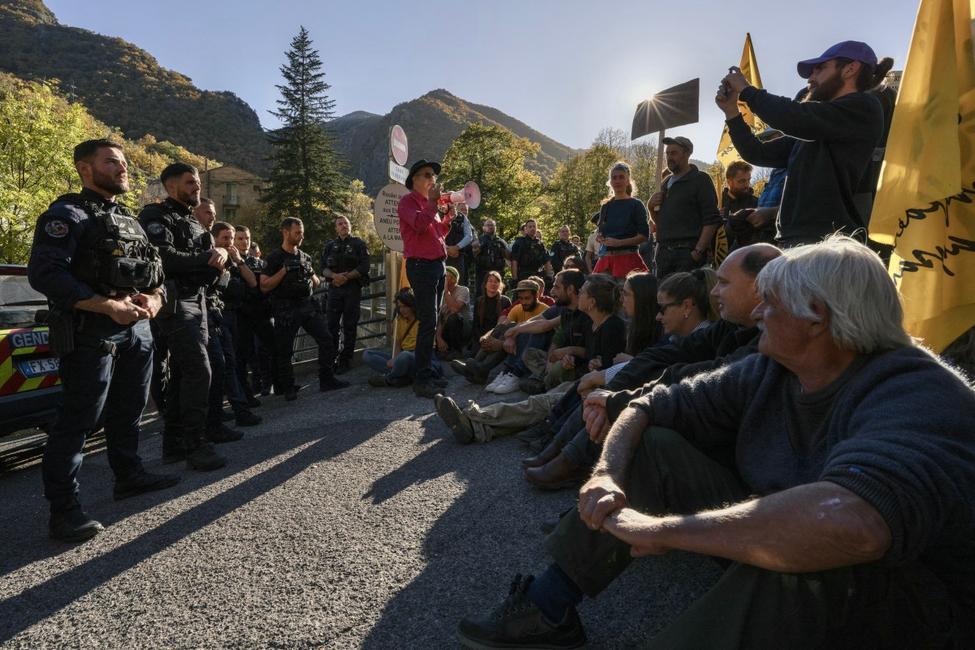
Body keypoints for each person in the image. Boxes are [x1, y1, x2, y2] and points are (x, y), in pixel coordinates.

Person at [458, 236, 975, 649]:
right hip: (821, 545)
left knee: (807, 555)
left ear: (818, 317)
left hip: (918, 611)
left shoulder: (919, 392)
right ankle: (546, 610)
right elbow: (647, 406)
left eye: (771, 305)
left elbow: (852, 524)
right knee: (656, 446)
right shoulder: (773, 367)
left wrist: (667, 530)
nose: (758, 315)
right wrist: (607, 473)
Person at [520, 244, 781, 487]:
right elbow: (661, 355)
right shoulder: (731, 328)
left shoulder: (769, 342)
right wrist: (613, 389)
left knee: (636, 417)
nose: (714, 292)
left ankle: (572, 461)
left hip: (729, 461)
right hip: (698, 422)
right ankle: (562, 451)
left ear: (759, 287)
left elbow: (705, 375)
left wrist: (617, 398)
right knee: (608, 391)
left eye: (724, 284)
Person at [27, 139, 177, 542]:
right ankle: (64, 510)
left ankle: (128, 475)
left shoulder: (129, 219)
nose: (122, 168)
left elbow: (156, 270)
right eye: (112, 162)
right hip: (92, 330)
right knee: (79, 419)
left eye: (124, 163)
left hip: (137, 328)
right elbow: (45, 274)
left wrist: (156, 299)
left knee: (129, 408)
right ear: (84, 168)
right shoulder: (66, 215)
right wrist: (106, 306)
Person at [717, 42, 892, 246]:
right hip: (793, 238)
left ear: (850, 69)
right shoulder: (815, 128)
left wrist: (747, 91)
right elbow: (757, 153)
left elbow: (796, 117)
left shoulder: (864, 107)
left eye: (820, 69)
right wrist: (732, 113)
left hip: (827, 241)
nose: (810, 78)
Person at [140, 162, 227, 471]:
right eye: (190, 182)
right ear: (171, 186)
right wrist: (208, 257)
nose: (197, 187)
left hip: (198, 299)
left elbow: (211, 267)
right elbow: (164, 259)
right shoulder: (154, 216)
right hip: (173, 303)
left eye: (198, 183)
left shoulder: (194, 222)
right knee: (198, 370)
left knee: (182, 375)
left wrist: (218, 258)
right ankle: (196, 444)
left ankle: (173, 443)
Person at [261, 217, 350, 400]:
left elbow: (316, 283)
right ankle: (288, 387)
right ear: (286, 232)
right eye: (297, 233)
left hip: (307, 305)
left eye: (302, 232)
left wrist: (310, 274)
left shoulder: (305, 256)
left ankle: (327, 379)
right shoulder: (274, 258)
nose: (301, 236)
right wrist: (284, 270)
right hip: (285, 309)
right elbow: (264, 286)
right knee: (285, 350)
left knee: (326, 339)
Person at [398, 159, 453, 398]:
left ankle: (427, 372)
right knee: (427, 320)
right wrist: (433, 203)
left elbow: (438, 233)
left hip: (436, 265)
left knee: (431, 320)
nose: (433, 178)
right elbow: (420, 225)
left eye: (433, 175)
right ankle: (422, 378)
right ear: (414, 179)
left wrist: (449, 216)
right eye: (427, 175)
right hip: (421, 266)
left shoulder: (427, 203)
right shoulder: (407, 202)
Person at [205, 221, 261, 439]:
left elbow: (252, 283)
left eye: (231, 239)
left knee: (232, 362)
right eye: (225, 239)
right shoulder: (210, 257)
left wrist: (237, 260)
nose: (229, 243)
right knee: (222, 365)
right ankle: (227, 412)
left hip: (232, 316)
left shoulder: (235, 260)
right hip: (214, 315)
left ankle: (239, 409)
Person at [647, 137, 721, 278]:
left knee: (687, 298)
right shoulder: (665, 183)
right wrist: (650, 207)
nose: (669, 157)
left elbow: (711, 219)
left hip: (687, 252)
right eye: (667, 154)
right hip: (664, 254)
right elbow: (661, 222)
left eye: (674, 153)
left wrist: (697, 252)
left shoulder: (700, 180)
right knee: (664, 298)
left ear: (686, 153)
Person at [451, 279, 548, 386]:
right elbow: (502, 325)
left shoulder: (545, 310)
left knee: (511, 328)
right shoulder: (518, 308)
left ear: (537, 296)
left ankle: (481, 370)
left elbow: (534, 334)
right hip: (514, 343)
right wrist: (487, 337)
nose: (524, 302)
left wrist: (502, 343)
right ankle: (476, 366)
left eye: (527, 298)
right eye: (520, 298)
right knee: (501, 328)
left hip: (531, 349)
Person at [320, 214, 370, 374]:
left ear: (350, 226)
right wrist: (335, 277)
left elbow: (364, 266)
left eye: (345, 223)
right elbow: (322, 267)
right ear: (336, 228)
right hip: (334, 290)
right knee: (331, 326)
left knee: (350, 326)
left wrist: (345, 277)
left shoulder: (359, 244)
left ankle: (346, 360)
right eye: (340, 224)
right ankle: (332, 358)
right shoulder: (329, 246)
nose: (343, 226)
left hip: (352, 290)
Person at [363, 288, 440, 387]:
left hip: (420, 356)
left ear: (412, 305)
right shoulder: (399, 320)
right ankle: (402, 376)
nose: (402, 310)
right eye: (400, 307)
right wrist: (395, 358)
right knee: (367, 354)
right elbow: (397, 343)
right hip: (402, 356)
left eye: (405, 306)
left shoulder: (423, 319)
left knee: (405, 356)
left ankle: (389, 378)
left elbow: (427, 347)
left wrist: (400, 358)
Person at [232, 225, 275, 397]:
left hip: (261, 311)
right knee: (244, 354)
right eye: (240, 238)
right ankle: (247, 391)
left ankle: (271, 383)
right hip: (241, 314)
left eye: (247, 238)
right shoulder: (230, 261)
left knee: (269, 349)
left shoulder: (258, 263)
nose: (244, 242)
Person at [592, 162, 650, 278]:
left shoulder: (636, 205)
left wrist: (619, 243)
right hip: (606, 261)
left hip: (628, 260)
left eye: (621, 177)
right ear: (611, 182)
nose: (617, 181)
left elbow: (644, 236)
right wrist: (600, 237)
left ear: (628, 181)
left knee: (626, 294)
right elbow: (601, 231)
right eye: (614, 178)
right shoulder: (606, 206)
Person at [656, 269, 717, 345]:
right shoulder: (676, 340)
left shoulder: (708, 345)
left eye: (662, 309)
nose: (658, 317)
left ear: (687, 307)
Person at [720, 160, 761, 251]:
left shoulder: (756, 203)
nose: (747, 185)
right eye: (741, 181)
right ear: (729, 182)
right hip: (721, 255)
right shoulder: (718, 202)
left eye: (748, 180)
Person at [435, 266, 472, 360]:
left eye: (448, 277)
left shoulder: (463, 290)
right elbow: (440, 317)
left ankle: (457, 351)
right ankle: (444, 349)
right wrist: (438, 337)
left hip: (463, 328)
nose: (445, 280)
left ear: (454, 279)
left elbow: (454, 309)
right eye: (445, 277)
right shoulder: (439, 293)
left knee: (453, 317)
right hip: (446, 326)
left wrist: (446, 291)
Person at [471, 271, 511, 352]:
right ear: (485, 284)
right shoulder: (479, 301)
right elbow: (475, 324)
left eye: (496, 282)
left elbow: (507, 324)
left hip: (498, 336)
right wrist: (481, 338)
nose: (493, 284)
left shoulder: (505, 301)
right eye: (490, 281)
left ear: (500, 285)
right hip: (481, 336)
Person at [472, 218, 509, 298]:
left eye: (492, 225)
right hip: (483, 274)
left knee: (499, 296)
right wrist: (477, 247)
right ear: (483, 228)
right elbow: (473, 255)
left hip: (498, 273)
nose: (490, 227)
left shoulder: (501, 242)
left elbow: (509, 257)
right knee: (481, 296)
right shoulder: (479, 240)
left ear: (495, 227)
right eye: (488, 225)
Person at [510, 219, 551, 284]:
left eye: (534, 226)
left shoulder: (540, 244)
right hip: (523, 275)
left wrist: (549, 276)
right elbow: (514, 261)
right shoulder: (519, 242)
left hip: (538, 275)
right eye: (530, 227)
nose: (532, 228)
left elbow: (547, 261)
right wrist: (514, 278)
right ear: (526, 229)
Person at [444, 202, 475, 287]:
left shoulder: (463, 218)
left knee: (459, 284)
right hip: (443, 255)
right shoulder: (441, 214)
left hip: (459, 257)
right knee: (443, 282)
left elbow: (469, 236)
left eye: (465, 210)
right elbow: (435, 233)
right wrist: (447, 248)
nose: (464, 211)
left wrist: (457, 247)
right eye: (462, 209)